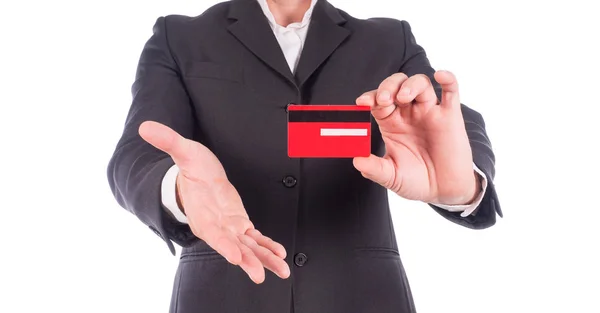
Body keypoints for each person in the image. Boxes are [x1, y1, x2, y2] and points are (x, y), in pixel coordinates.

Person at [107, 0, 502, 312]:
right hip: (223, 297)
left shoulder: (388, 40)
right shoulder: (179, 37)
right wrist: (178, 191)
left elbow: (449, 124)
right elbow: (135, 157)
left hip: (363, 299)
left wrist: (462, 185)